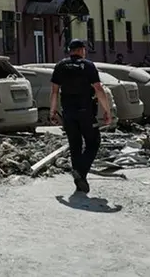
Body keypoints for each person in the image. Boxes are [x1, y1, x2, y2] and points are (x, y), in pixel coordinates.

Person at [50, 39, 113, 194]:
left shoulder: (60, 66)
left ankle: (80, 181)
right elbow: (98, 89)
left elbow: (54, 91)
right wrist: (107, 111)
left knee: (75, 145)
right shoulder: (88, 66)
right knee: (93, 142)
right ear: (81, 50)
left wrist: (52, 111)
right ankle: (81, 170)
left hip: (68, 113)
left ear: (70, 50)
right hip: (86, 112)